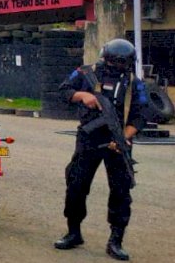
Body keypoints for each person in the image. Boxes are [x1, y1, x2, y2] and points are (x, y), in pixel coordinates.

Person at [53, 39, 146, 261]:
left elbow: (141, 115)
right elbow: (64, 90)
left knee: (121, 192)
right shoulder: (86, 73)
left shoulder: (135, 83)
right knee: (76, 184)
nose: (119, 66)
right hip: (89, 138)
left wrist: (124, 137)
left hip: (117, 143)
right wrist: (83, 96)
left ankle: (116, 240)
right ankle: (73, 232)